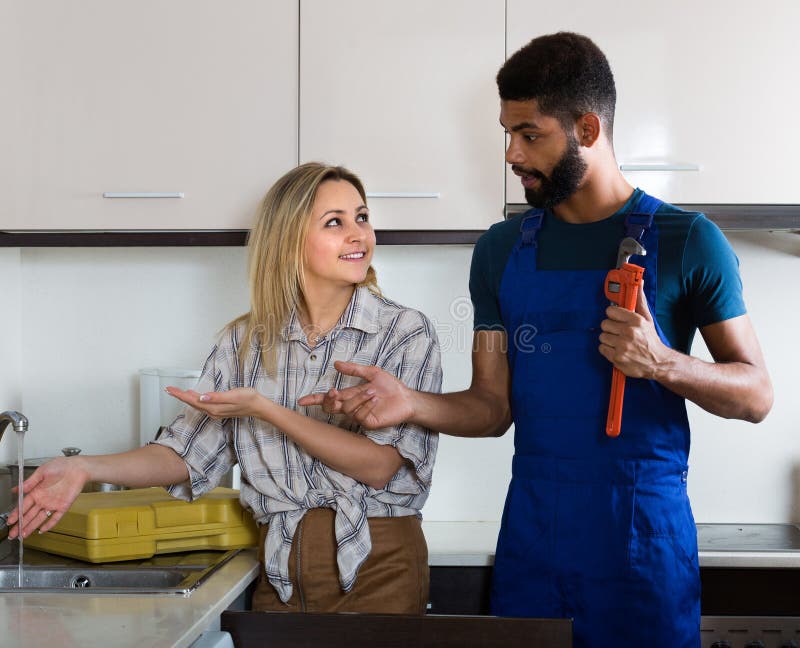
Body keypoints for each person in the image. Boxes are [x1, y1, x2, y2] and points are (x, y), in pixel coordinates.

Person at [297, 33, 773, 646]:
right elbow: (492, 409)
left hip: (640, 544)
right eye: (507, 133)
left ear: (588, 129)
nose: (511, 154)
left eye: (530, 134)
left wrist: (662, 363)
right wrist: (413, 403)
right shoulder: (500, 252)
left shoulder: (688, 241)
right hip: (534, 536)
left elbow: (756, 394)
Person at [8, 162, 442, 614]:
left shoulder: (404, 332)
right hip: (281, 568)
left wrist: (264, 408)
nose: (358, 234)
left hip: (380, 563)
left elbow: (379, 467)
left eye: (362, 217)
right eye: (335, 222)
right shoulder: (244, 343)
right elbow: (185, 454)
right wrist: (85, 469)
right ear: (288, 240)